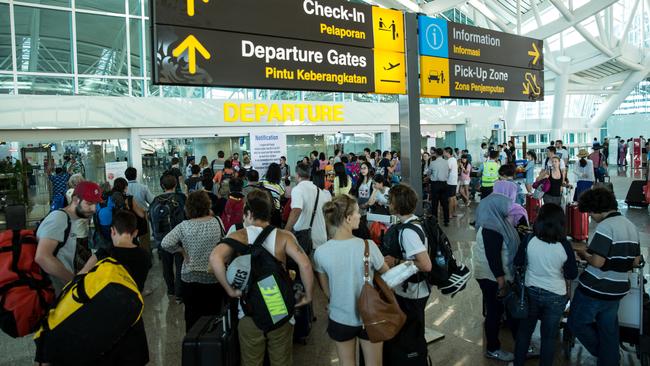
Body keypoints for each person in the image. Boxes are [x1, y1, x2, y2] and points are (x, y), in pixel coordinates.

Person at [210, 189, 314, 366]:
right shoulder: (284, 236)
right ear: (269, 212)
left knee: (252, 360)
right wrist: (309, 296)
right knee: (281, 360)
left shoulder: (237, 236)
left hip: (249, 308)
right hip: (279, 306)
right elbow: (305, 265)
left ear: (249, 213)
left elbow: (214, 259)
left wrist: (230, 290)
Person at [568, 188, 642, 366]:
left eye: (591, 213)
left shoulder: (605, 227)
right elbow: (635, 261)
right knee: (608, 329)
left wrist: (584, 254)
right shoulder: (630, 225)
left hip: (595, 288)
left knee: (576, 323)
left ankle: (605, 355)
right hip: (617, 289)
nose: (591, 217)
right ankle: (610, 360)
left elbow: (597, 262)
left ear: (596, 209)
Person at [314, 194, 389, 366]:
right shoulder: (368, 246)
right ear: (348, 218)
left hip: (340, 317)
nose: (360, 216)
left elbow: (326, 290)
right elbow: (387, 275)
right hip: (369, 316)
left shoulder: (321, 252)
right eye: (357, 212)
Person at [79, 210, 151, 365]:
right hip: (133, 317)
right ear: (135, 232)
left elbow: (82, 275)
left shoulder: (104, 254)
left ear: (112, 230)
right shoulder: (145, 256)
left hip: (106, 320)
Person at [512, 204, 578, 366]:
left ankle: (518, 363)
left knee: (524, 333)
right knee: (548, 338)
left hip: (530, 292)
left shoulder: (529, 239)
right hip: (556, 295)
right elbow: (572, 274)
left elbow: (518, 262)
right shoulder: (565, 246)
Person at [161, 190, 226, 331]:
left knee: (191, 315)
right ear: (207, 205)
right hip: (213, 276)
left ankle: (192, 344)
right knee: (213, 314)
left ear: (188, 208)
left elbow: (165, 243)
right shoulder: (217, 222)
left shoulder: (184, 226)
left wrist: (181, 251)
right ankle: (212, 344)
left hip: (190, 277)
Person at [383, 184, 432, 365]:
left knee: (411, 335)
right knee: (412, 332)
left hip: (414, 291)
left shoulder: (408, 232)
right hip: (413, 289)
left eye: (390, 201)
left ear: (396, 204)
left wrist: (396, 261)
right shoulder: (412, 222)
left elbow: (425, 265)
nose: (389, 203)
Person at [473, 190, 521, 362]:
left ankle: (521, 345)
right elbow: (493, 258)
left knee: (502, 311)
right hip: (492, 277)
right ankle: (493, 349)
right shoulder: (491, 229)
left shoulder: (495, 222)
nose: (508, 209)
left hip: (495, 276)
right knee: (495, 312)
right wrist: (501, 282)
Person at [36, 181, 102, 294]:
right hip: (53, 292)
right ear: (76, 200)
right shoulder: (58, 218)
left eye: (96, 204)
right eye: (89, 203)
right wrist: (73, 281)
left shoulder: (71, 220)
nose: (94, 209)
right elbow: (42, 257)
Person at [151, 174, 186, 303]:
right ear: (175, 184)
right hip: (178, 238)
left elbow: (151, 218)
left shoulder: (155, 200)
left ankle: (170, 290)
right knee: (179, 265)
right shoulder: (181, 198)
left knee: (166, 266)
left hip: (162, 239)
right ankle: (179, 293)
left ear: (162, 186)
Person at [285, 163, 331, 251]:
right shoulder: (319, 191)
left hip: (305, 239)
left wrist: (286, 231)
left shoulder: (297, 189)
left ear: (297, 175)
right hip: (321, 237)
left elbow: (296, 210)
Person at [426, 148, 450, 226]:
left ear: (436, 154)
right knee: (445, 203)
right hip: (444, 184)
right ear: (442, 153)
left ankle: (434, 220)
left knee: (435, 203)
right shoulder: (446, 163)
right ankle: (446, 220)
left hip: (435, 184)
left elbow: (429, 173)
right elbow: (448, 172)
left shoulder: (433, 163)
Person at [444, 147, 460, 218]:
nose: (443, 153)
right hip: (454, 180)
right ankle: (454, 213)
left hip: (450, 181)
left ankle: (450, 214)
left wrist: (445, 176)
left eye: (444, 152)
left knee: (450, 198)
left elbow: (448, 170)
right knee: (453, 197)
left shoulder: (449, 160)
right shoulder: (454, 159)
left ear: (447, 152)